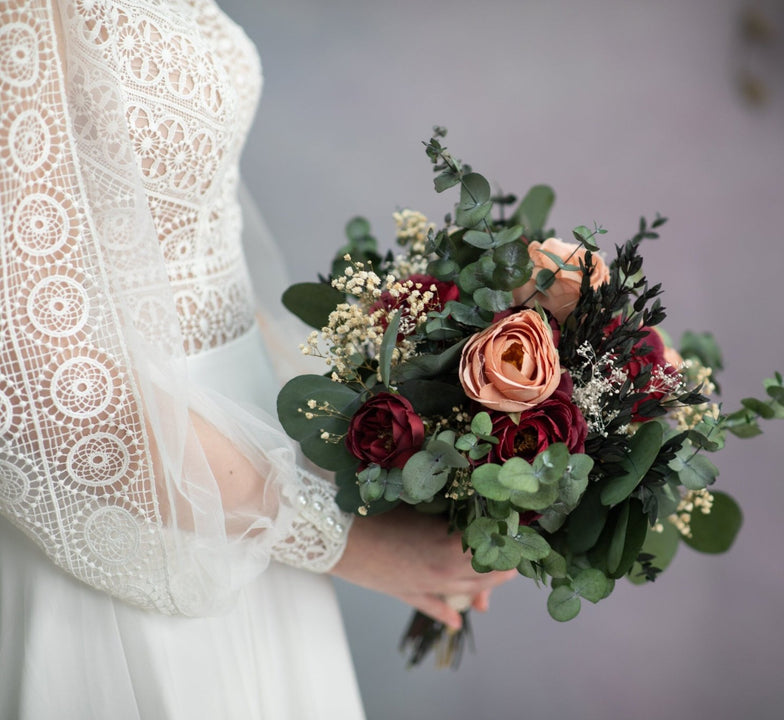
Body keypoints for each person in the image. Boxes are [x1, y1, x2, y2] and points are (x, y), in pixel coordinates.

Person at [0, 1, 513, 717]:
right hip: (140, 492)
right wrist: (344, 540)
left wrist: (385, 447)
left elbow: (208, 270)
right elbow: (34, 376)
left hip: (241, 477)